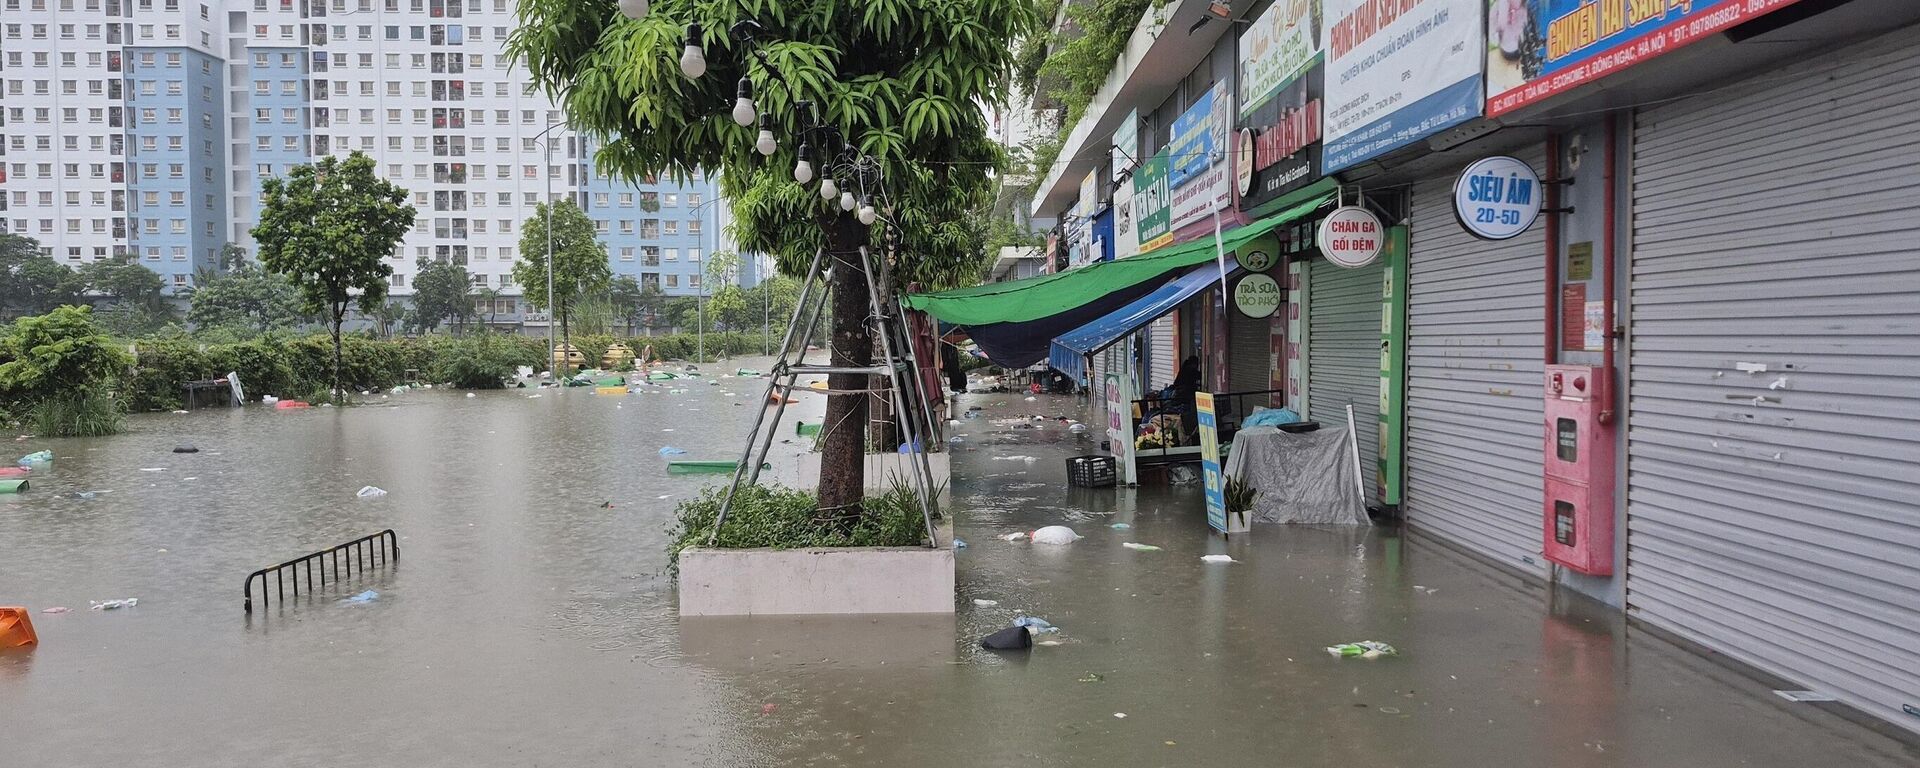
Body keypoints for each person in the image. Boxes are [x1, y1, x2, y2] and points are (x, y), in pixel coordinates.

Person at [1172, 355, 1202, 443]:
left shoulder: (1185, 368)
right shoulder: (1190, 370)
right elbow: (1199, 375)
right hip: (1185, 395)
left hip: (1183, 394)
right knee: (1191, 409)